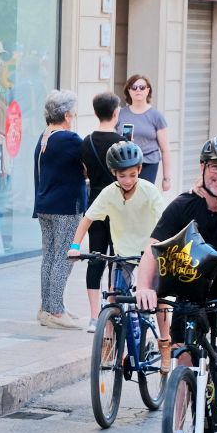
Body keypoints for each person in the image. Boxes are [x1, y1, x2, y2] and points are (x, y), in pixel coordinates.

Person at [136, 137, 217, 405]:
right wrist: (145, 287)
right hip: (190, 290)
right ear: (203, 167)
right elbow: (153, 248)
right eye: (215, 166)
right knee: (183, 358)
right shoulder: (184, 205)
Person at [68, 140, 169, 359]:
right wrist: (75, 246)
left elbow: (165, 221)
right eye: (122, 175)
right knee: (114, 297)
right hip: (124, 254)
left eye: (132, 175)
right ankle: (108, 344)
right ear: (114, 173)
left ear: (140, 170)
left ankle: (165, 342)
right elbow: (87, 219)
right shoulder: (108, 193)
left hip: (150, 254)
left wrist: (165, 247)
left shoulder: (149, 191)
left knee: (158, 298)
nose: (127, 180)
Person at [33, 89, 86, 329]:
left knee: (50, 257)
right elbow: (88, 166)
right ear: (66, 114)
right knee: (65, 257)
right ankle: (55, 311)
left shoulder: (45, 136)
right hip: (65, 206)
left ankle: (48, 307)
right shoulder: (69, 138)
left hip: (45, 205)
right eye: (72, 112)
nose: (73, 116)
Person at [78, 91, 129, 331]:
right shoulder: (124, 143)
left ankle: (92, 316)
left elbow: (85, 172)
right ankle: (111, 311)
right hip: (118, 206)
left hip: (95, 206)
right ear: (116, 113)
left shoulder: (86, 142)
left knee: (95, 258)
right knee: (116, 259)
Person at [117, 74, 171, 191]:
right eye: (134, 87)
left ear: (148, 90)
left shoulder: (156, 116)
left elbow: (165, 149)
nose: (138, 90)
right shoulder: (120, 113)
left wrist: (166, 178)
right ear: (128, 91)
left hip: (148, 162)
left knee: (143, 195)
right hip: (125, 162)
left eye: (142, 87)